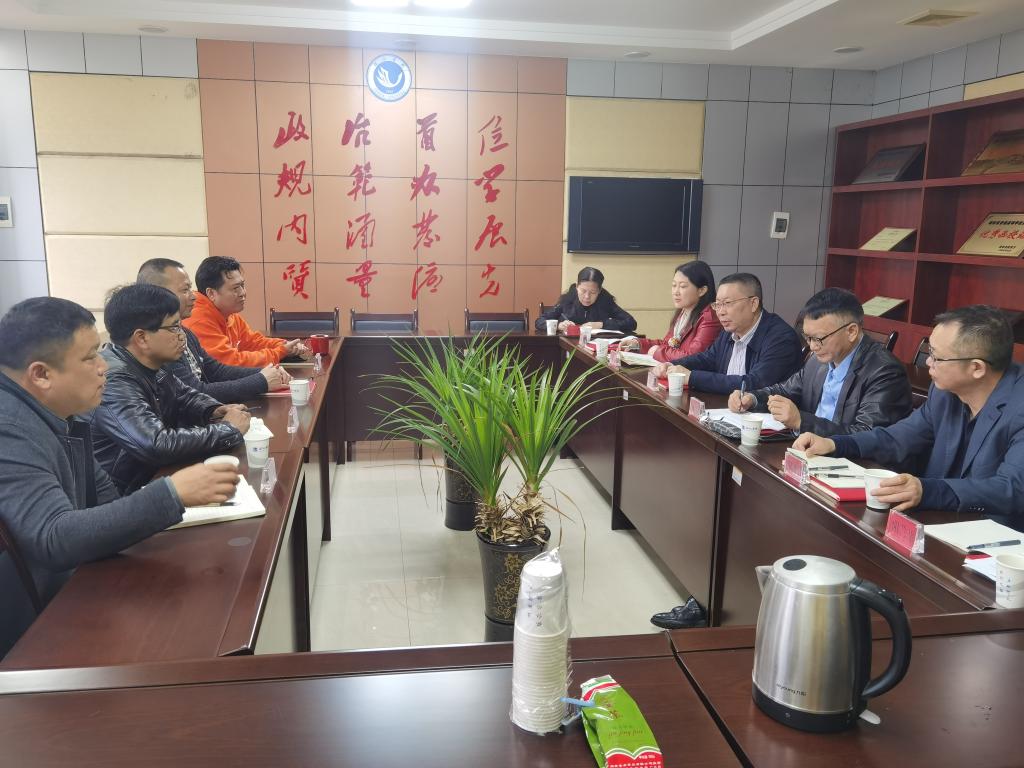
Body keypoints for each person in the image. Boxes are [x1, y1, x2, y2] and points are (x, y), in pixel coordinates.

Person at [0, 297, 239, 658]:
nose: (103, 368)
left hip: (77, 586)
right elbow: (54, 537)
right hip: (34, 638)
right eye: (89, 358)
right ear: (41, 374)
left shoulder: (64, 413)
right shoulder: (10, 428)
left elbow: (107, 500)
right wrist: (172, 493)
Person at [794, 305, 1024, 530]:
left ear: (977, 368)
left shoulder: (1018, 406)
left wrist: (927, 490)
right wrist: (835, 443)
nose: (928, 362)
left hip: (997, 537)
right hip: (937, 523)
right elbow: (898, 437)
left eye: (937, 357)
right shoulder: (944, 392)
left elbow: (1011, 489)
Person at [89, 284, 251, 493]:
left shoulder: (149, 362)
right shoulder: (114, 380)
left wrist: (214, 410)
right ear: (142, 338)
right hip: (124, 495)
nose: (182, 335)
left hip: (153, 477)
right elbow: (156, 444)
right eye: (174, 327)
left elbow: (184, 395)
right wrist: (228, 429)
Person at [728, 287, 912, 436]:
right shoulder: (818, 360)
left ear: (851, 332)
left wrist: (801, 421)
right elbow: (785, 390)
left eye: (819, 338)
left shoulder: (885, 372)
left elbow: (866, 435)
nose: (813, 346)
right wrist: (752, 398)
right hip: (810, 451)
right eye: (807, 338)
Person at [137, 258, 291, 400]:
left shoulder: (184, 332)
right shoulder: (160, 340)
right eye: (185, 290)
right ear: (157, 294)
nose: (193, 296)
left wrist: (266, 372)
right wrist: (261, 380)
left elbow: (215, 370)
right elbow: (193, 392)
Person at [662, 272, 803, 393]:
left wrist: (692, 377)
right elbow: (708, 358)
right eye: (717, 304)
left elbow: (754, 383)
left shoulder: (781, 338)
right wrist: (672, 365)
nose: (720, 312)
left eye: (727, 303)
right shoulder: (730, 329)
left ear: (753, 304)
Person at [184, 256, 310, 367]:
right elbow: (230, 362)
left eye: (242, 286)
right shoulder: (198, 320)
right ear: (211, 293)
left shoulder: (229, 314)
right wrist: (279, 352)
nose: (242, 293)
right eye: (235, 288)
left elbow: (252, 342)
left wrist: (284, 345)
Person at [619, 261, 721, 362]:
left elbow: (693, 357)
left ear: (702, 290)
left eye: (682, 286)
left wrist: (657, 352)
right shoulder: (683, 312)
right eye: (674, 285)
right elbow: (667, 344)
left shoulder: (709, 318)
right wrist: (638, 344)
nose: (676, 292)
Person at [534, 266, 637, 334]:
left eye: (593, 292)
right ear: (577, 286)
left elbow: (631, 323)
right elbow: (539, 322)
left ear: (599, 291)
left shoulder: (605, 301)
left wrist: (601, 324)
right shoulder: (568, 299)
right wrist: (558, 325)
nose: (587, 296)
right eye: (583, 291)